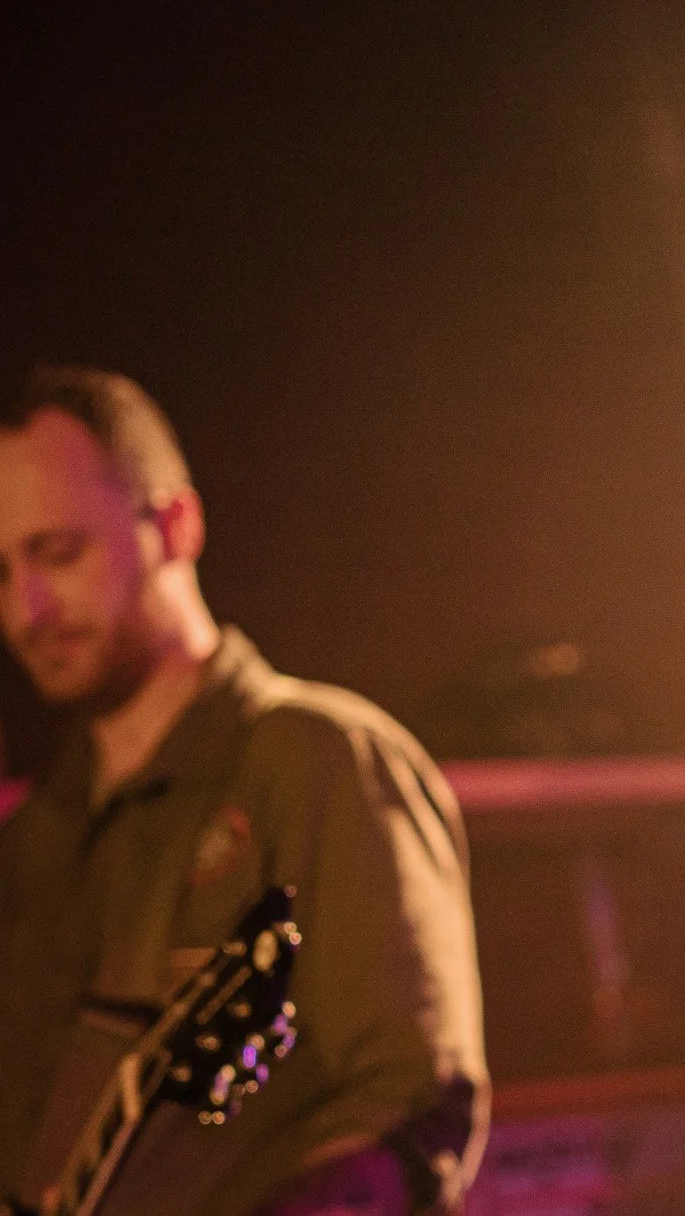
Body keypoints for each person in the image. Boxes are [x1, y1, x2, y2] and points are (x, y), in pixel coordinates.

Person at [0, 366, 489, 1215]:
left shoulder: (318, 760)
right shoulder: (34, 835)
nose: (28, 608)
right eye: (1, 572)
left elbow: (411, 1107)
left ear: (176, 526)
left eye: (58, 552)